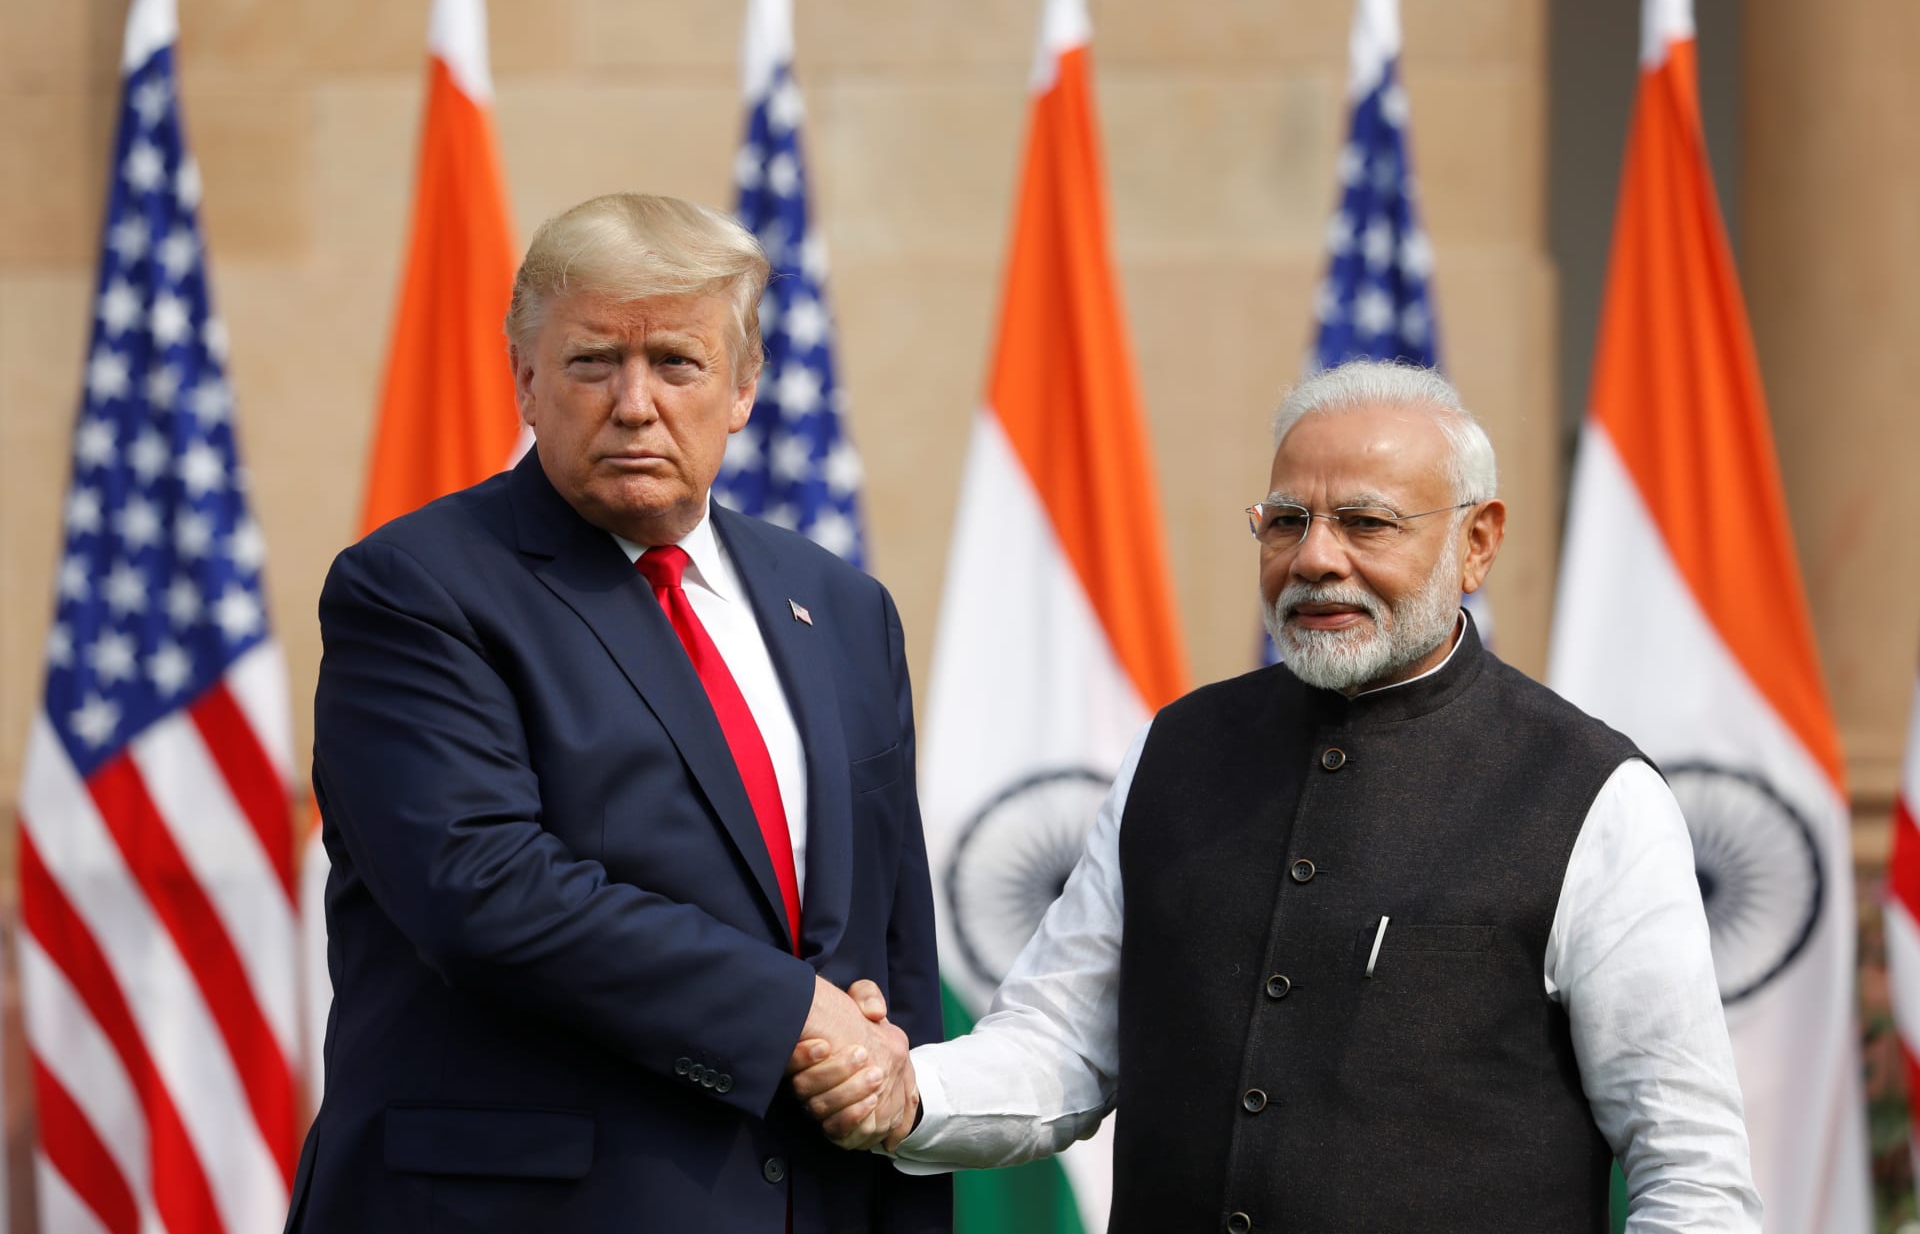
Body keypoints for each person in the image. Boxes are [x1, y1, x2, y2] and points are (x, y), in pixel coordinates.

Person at [793, 360, 1761, 1232]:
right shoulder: (1177, 750)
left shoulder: (1592, 794)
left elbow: (1691, 1170)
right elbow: (1060, 1044)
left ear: (1478, 542)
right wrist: (903, 1087)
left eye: (1367, 521)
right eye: (1287, 520)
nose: (1316, 558)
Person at [286, 193, 946, 1233]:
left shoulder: (846, 609)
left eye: (677, 363)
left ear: (741, 389)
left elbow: (894, 943)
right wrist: (785, 1012)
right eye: (595, 361)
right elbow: (483, 888)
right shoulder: (415, 588)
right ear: (526, 381)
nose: (635, 402)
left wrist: (902, 1139)